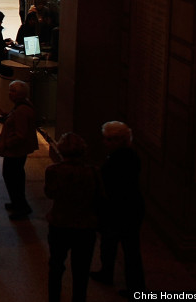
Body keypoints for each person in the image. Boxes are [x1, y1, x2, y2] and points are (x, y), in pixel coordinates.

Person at [44, 132, 102, 302]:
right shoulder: (93, 172)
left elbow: (49, 193)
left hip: (59, 223)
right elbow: (99, 196)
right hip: (85, 226)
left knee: (56, 265)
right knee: (81, 270)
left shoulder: (53, 171)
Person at [90, 121, 146, 295]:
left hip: (121, 210)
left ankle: (135, 288)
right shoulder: (127, 155)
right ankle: (108, 273)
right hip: (127, 208)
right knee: (112, 244)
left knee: (128, 250)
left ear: (118, 140)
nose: (104, 143)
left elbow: (114, 185)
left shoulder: (121, 158)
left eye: (108, 139)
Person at [0, 80, 39, 220]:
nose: (10, 94)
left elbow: (20, 134)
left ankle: (21, 206)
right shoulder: (22, 106)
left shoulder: (21, 110)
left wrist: (6, 144)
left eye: (13, 91)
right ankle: (17, 203)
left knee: (12, 178)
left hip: (16, 151)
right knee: (15, 177)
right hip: (18, 150)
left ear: (20, 94)